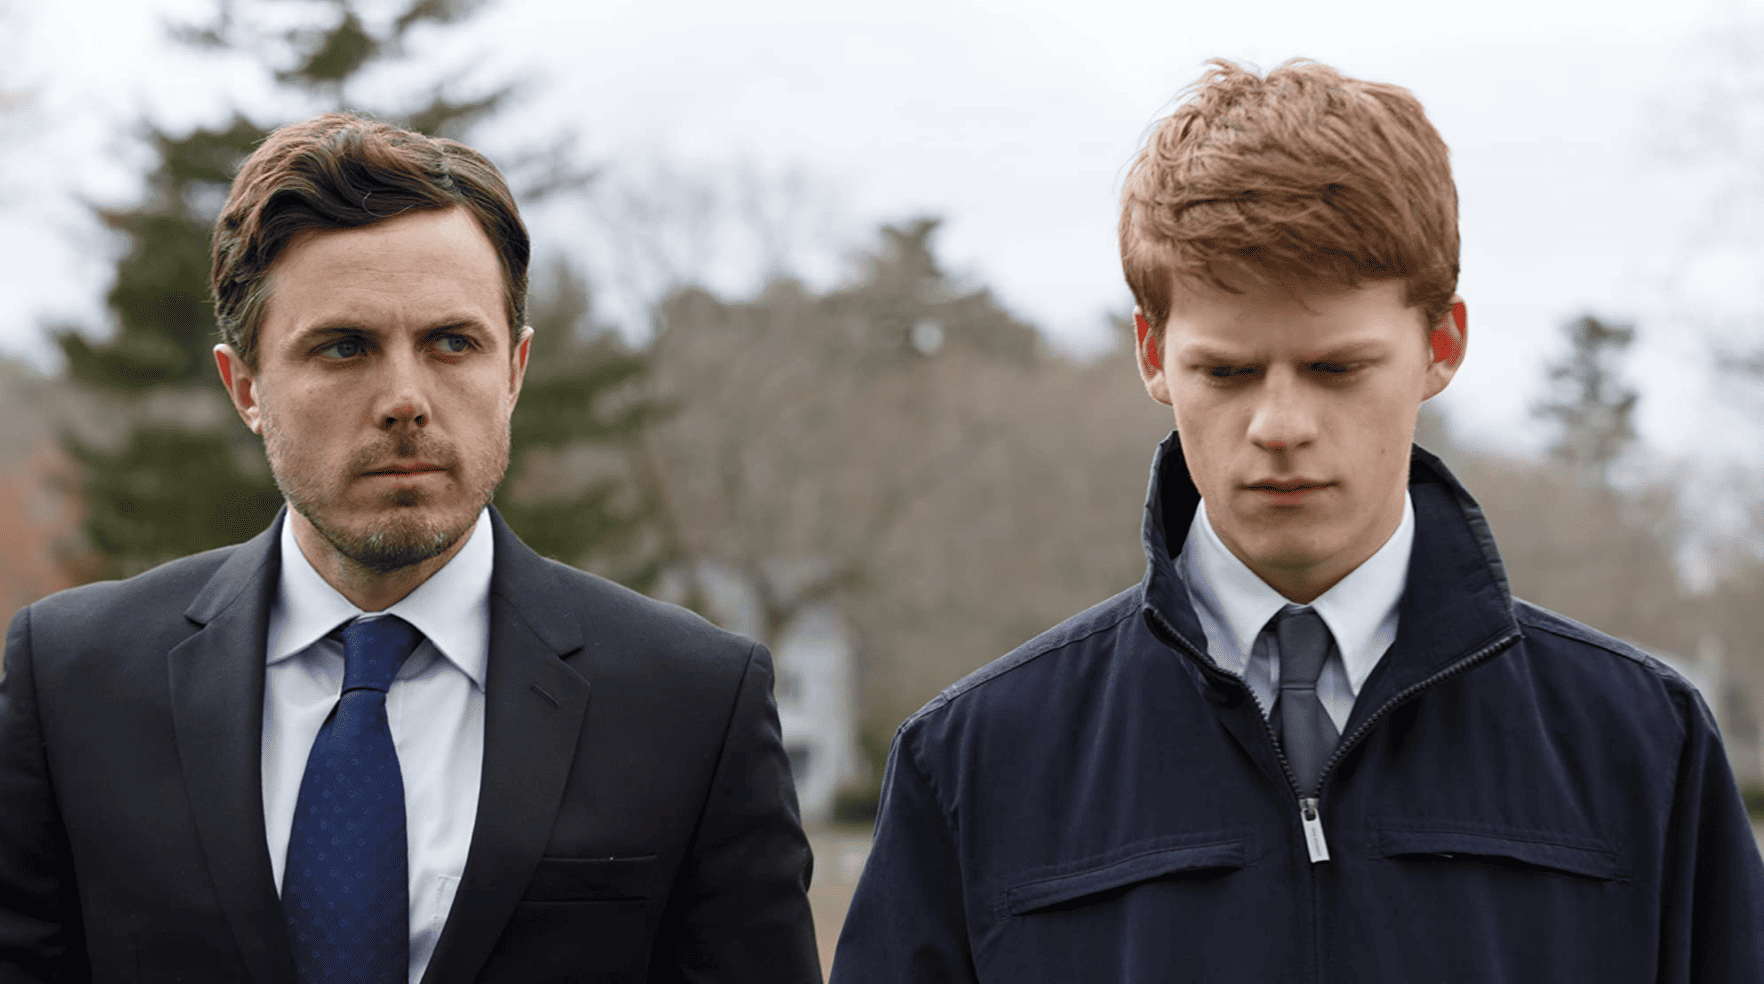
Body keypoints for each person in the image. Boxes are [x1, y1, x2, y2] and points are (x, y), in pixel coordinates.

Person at [831, 59, 1764, 982]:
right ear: (1154, 354)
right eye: (1227, 373)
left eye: (1336, 369)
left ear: (1441, 345)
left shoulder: (1645, 744)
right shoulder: (974, 763)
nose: (1280, 427)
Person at [0, 114, 821, 984]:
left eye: (452, 343)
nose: (404, 399)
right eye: (344, 347)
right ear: (245, 386)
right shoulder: (72, 683)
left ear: (514, 371)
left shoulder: (693, 701)